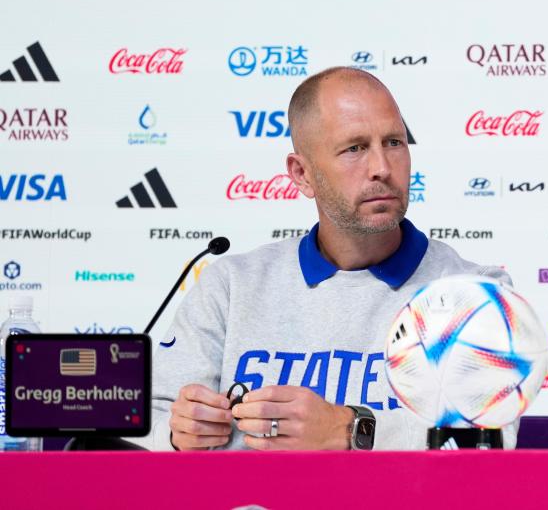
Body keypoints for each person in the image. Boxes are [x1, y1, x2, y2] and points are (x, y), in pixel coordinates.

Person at [142, 67, 513, 451]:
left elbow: (487, 439)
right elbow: (148, 420)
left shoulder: (475, 293)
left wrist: (351, 430)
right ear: (302, 174)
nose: (382, 168)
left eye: (394, 142)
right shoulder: (231, 285)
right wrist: (177, 432)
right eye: (354, 148)